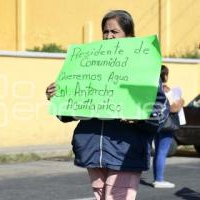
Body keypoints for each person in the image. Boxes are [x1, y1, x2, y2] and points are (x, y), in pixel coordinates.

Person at [46, 10, 169, 200]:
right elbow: (69, 111)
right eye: (106, 32)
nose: (109, 36)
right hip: (92, 150)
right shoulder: (90, 64)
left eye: (115, 31)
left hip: (125, 152)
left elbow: (160, 111)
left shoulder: (143, 67)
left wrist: (140, 115)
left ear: (129, 35)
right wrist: (57, 96)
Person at [152, 65, 184, 188]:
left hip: (157, 122)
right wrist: (181, 101)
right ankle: (159, 180)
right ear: (164, 75)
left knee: (158, 151)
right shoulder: (165, 89)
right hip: (167, 124)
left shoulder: (155, 88)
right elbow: (173, 107)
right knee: (162, 151)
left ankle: (157, 178)